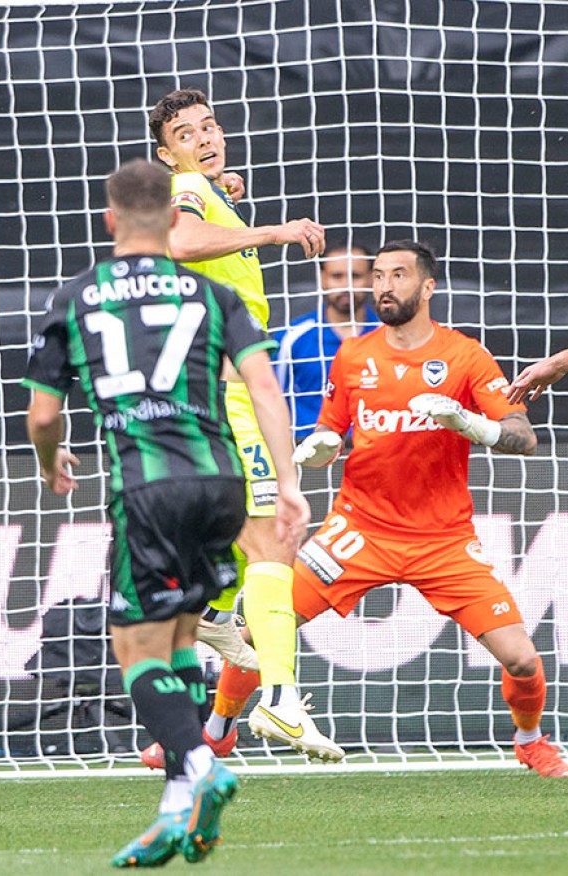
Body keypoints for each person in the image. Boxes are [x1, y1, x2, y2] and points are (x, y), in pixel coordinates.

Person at [23, 159, 310, 866]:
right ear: (169, 217)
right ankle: (178, 801)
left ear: (110, 220)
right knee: (181, 634)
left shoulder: (79, 295)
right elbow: (264, 389)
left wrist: (49, 459)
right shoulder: (211, 294)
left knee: (133, 647)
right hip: (220, 482)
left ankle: (198, 763)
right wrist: (287, 482)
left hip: (146, 489)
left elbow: (41, 415)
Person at [271, 240, 565, 777]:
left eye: (398, 275)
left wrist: (472, 425)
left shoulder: (465, 355)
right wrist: (319, 448)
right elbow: (330, 433)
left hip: (443, 540)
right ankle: (212, 735)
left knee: (522, 658)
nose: (383, 286)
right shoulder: (354, 356)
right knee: (260, 627)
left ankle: (531, 740)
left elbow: (525, 436)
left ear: (427, 287)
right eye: (378, 276)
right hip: (358, 530)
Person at [143, 87, 342, 763]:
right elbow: (182, 240)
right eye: (186, 132)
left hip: (217, 390)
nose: (204, 136)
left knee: (261, 536)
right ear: (165, 151)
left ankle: (214, 615)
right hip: (226, 396)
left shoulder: (204, 186)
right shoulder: (188, 188)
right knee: (277, 538)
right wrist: (273, 231)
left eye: (210, 125)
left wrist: (223, 195)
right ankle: (281, 699)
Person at [274, 244, 378, 440]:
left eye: (355, 276)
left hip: (376, 456)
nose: (346, 285)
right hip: (309, 459)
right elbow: (270, 400)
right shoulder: (291, 339)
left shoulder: (390, 335)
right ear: (323, 279)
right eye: (337, 276)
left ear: (371, 279)